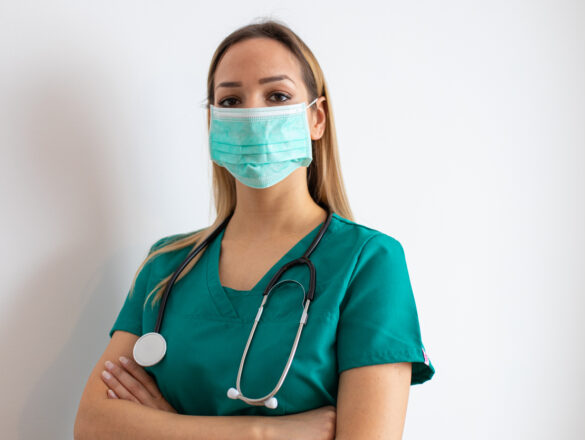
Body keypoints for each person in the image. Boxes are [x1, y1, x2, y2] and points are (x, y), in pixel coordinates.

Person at [74, 18, 435, 440]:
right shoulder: (166, 266)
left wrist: (164, 426)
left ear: (316, 118)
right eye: (230, 101)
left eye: (277, 95)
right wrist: (262, 433)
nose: (252, 114)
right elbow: (93, 425)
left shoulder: (368, 263)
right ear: (211, 122)